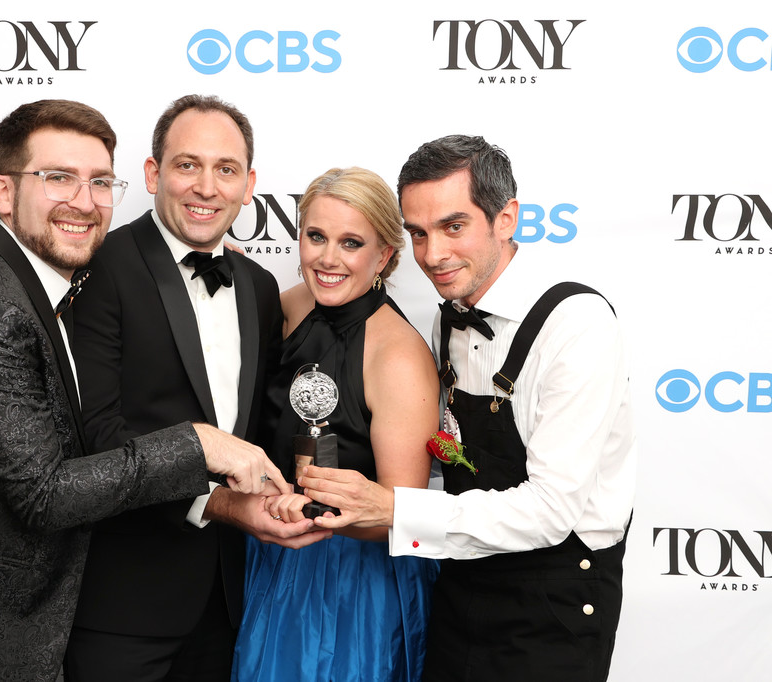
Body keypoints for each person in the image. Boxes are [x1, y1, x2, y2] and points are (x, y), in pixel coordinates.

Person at [0, 99, 289, 682]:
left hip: (187, 603)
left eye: (99, 182)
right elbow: (47, 492)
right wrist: (200, 445)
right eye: (57, 178)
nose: (82, 200)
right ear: (4, 190)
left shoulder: (39, 270)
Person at [299, 135, 637, 682]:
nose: (432, 255)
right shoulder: (447, 318)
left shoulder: (577, 324)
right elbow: (453, 456)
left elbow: (552, 510)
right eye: (418, 233)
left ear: (506, 219)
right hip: (460, 583)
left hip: (553, 601)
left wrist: (395, 511)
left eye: (453, 227)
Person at [64, 95, 327, 682]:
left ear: (248, 184)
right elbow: (95, 435)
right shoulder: (98, 267)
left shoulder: (259, 287)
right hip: (122, 603)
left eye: (226, 169)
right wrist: (224, 504)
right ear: (154, 174)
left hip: (228, 602)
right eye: (187, 165)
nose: (206, 187)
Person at [232, 167, 440, 681]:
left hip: (350, 582)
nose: (327, 259)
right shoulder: (295, 304)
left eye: (351, 243)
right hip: (268, 548)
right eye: (316, 236)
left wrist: (311, 513)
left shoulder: (398, 356)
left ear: (384, 257)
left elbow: (399, 513)